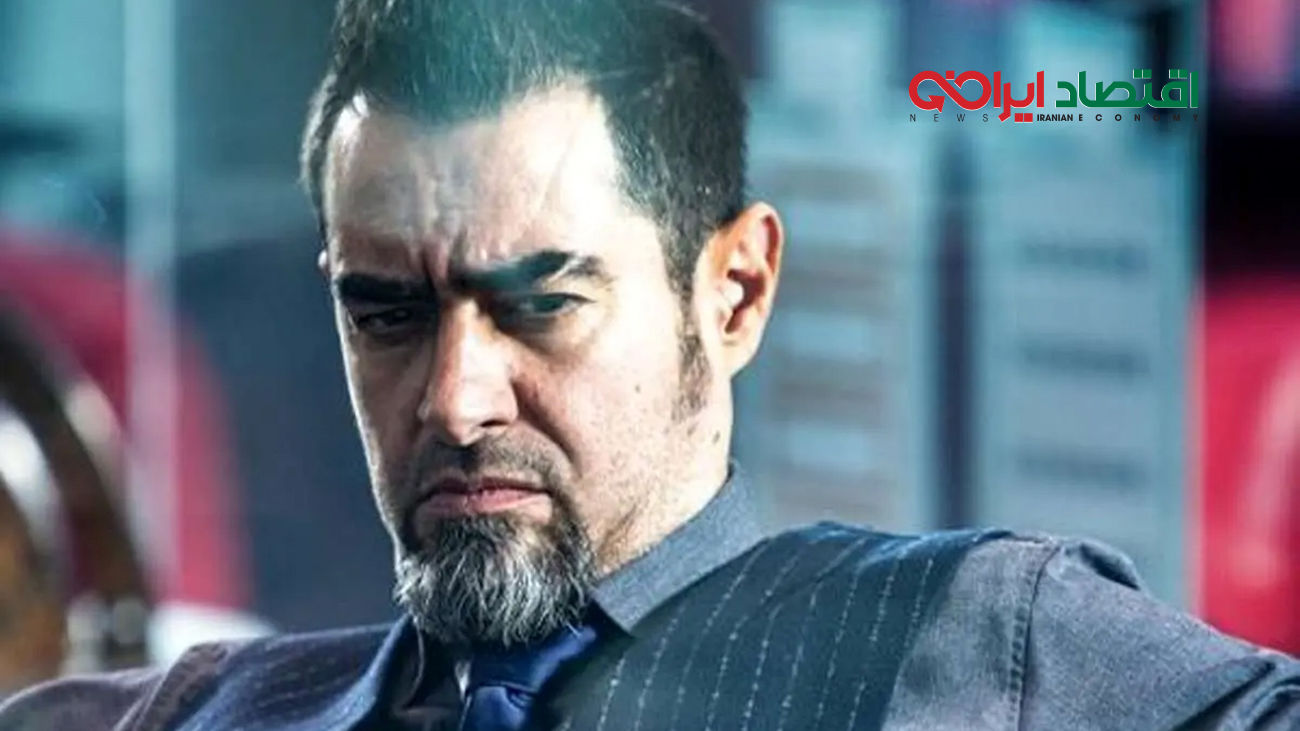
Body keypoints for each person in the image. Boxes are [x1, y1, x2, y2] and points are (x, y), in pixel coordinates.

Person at [3, 0, 1297, 728]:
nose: (454, 399)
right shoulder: (211, 710)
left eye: (541, 306)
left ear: (732, 292)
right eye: (388, 316)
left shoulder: (980, 641)